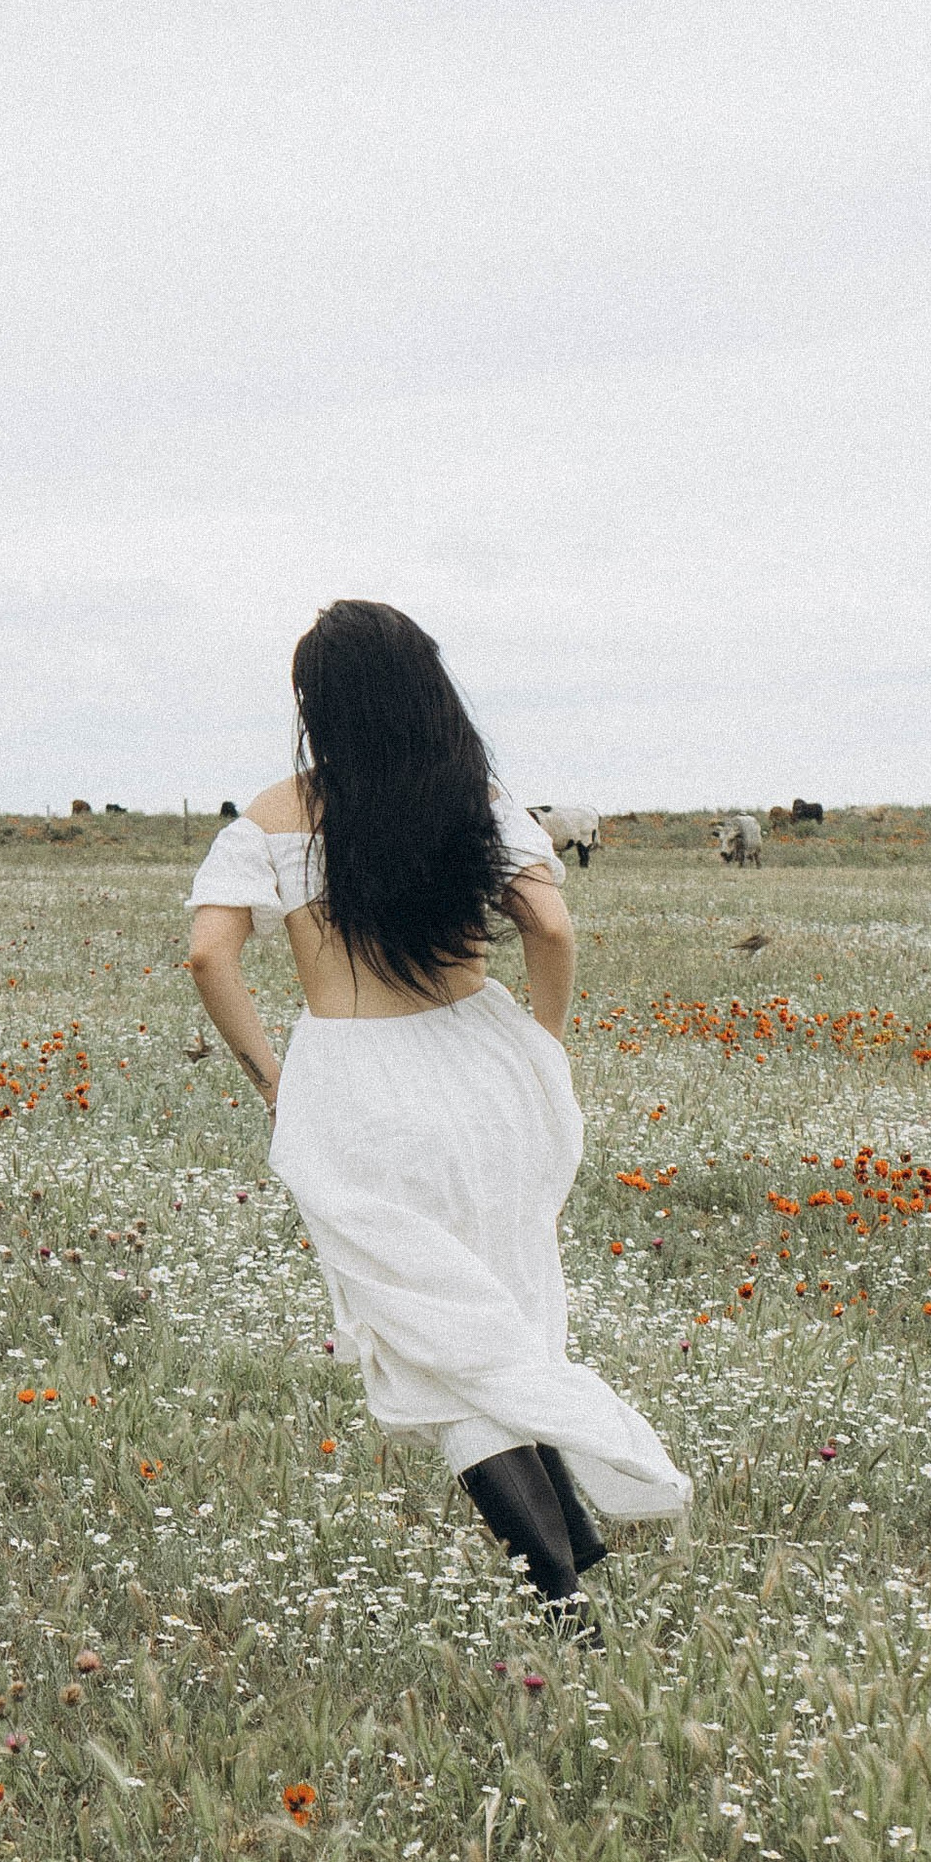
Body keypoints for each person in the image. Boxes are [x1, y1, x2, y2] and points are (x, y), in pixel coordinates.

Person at [186, 600, 689, 1615]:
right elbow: (550, 926)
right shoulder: (478, 799)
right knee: (500, 1307)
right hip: (486, 1072)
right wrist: (542, 1042)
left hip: (357, 1088)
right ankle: (576, 1542)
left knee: (427, 1335)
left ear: (315, 703)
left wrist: (272, 1078)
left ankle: (560, 1595)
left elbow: (208, 954)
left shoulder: (274, 816)